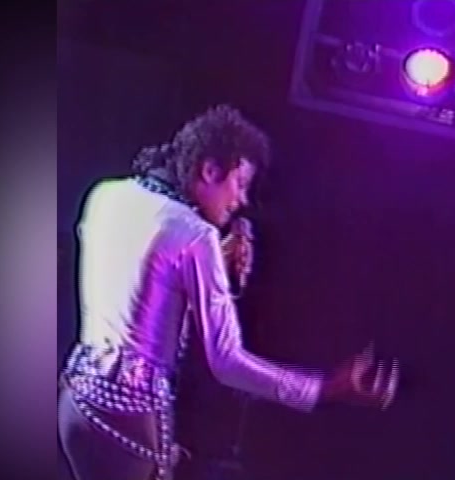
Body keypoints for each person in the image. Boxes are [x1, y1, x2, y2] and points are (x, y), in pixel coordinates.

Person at [58, 105, 399, 480]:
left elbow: (137, 283)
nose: (242, 200)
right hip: (129, 414)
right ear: (209, 170)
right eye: (240, 183)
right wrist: (323, 389)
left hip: (77, 400)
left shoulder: (106, 194)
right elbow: (227, 361)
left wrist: (207, 270)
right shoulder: (196, 235)